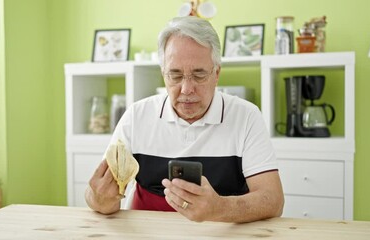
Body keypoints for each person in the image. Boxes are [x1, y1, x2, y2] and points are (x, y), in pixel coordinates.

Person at [85, 16, 284, 223]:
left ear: (216, 73)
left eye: (199, 75)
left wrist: (220, 208)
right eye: (175, 75)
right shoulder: (136, 116)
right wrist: (99, 200)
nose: (187, 89)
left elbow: (273, 200)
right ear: (163, 74)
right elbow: (97, 195)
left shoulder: (247, 117)